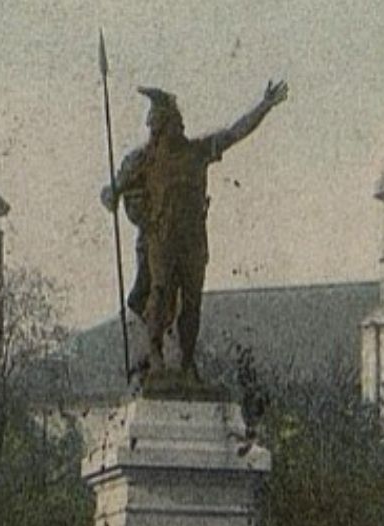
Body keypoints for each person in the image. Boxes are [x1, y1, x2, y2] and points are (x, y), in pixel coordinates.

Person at [101, 80, 289, 382]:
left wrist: (264, 106)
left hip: (192, 242)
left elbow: (234, 133)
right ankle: (156, 355)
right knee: (159, 293)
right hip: (160, 239)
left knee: (192, 302)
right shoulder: (143, 160)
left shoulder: (197, 152)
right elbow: (113, 189)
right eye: (162, 120)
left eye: (169, 119)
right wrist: (110, 194)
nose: (170, 125)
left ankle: (187, 362)